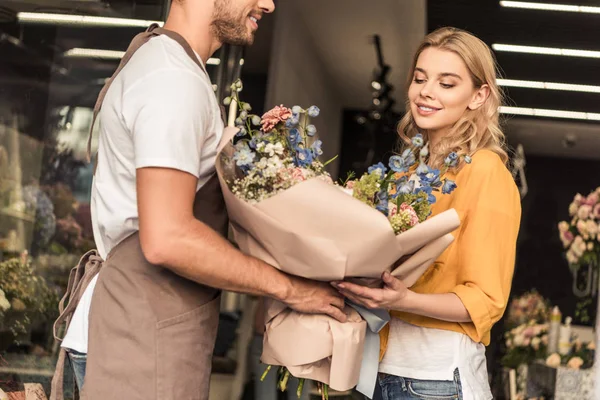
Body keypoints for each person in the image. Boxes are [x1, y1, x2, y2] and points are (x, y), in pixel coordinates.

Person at [51, 0, 346, 399]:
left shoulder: (172, 67)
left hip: (144, 328)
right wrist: (290, 288)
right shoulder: (173, 80)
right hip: (135, 340)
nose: (268, 4)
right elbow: (168, 237)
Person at [333, 27, 521, 400]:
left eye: (446, 83)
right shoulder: (406, 173)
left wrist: (403, 300)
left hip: (437, 378)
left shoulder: (485, 171)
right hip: (381, 368)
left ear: (479, 95)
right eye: (420, 78)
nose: (426, 92)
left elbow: (485, 300)